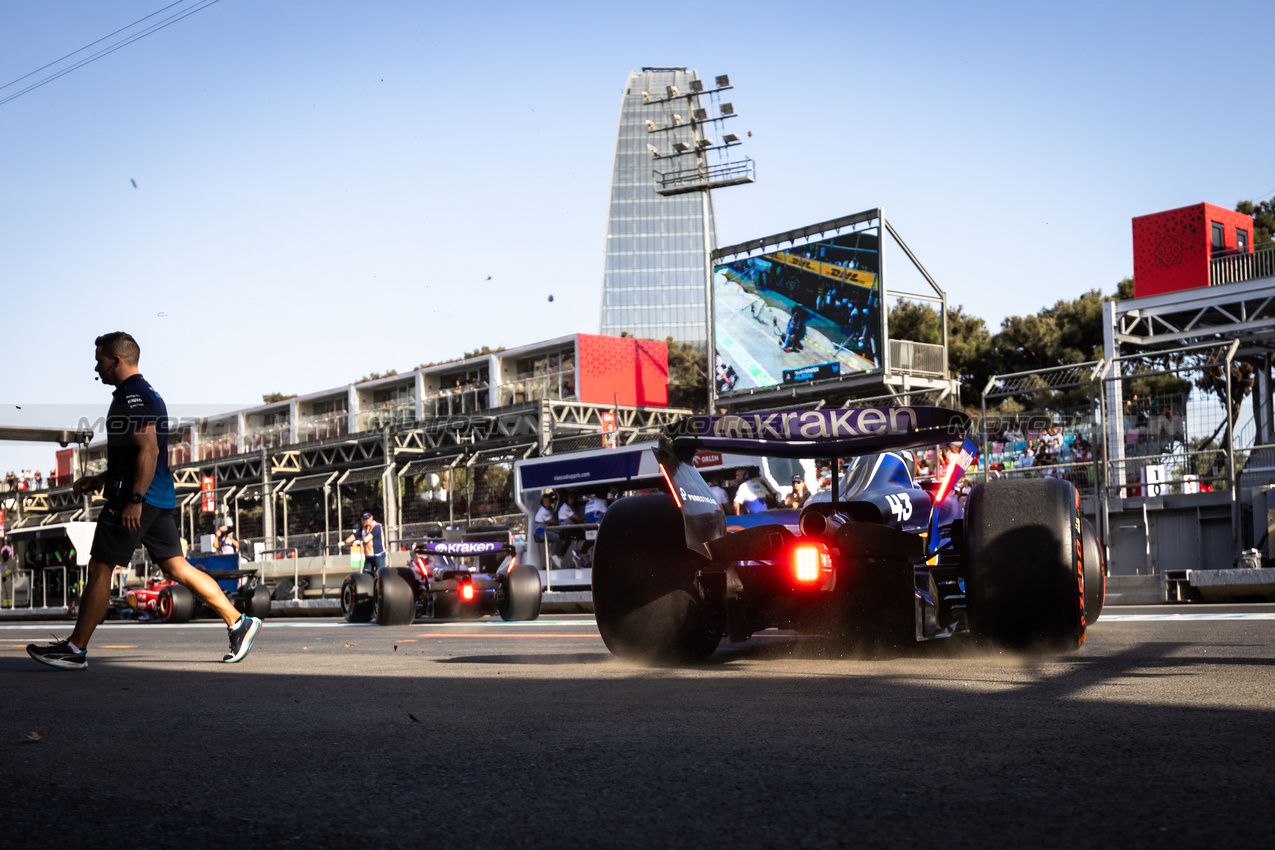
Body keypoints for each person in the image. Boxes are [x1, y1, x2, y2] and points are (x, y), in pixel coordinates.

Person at [27, 332, 262, 670]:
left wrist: (134, 499)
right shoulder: (147, 392)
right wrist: (100, 479)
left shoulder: (133, 395)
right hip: (157, 495)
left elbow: (149, 450)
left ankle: (75, 649)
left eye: (100, 360)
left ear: (116, 360)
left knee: (100, 567)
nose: (97, 368)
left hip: (137, 497)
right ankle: (239, 622)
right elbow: (135, 453)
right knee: (176, 567)